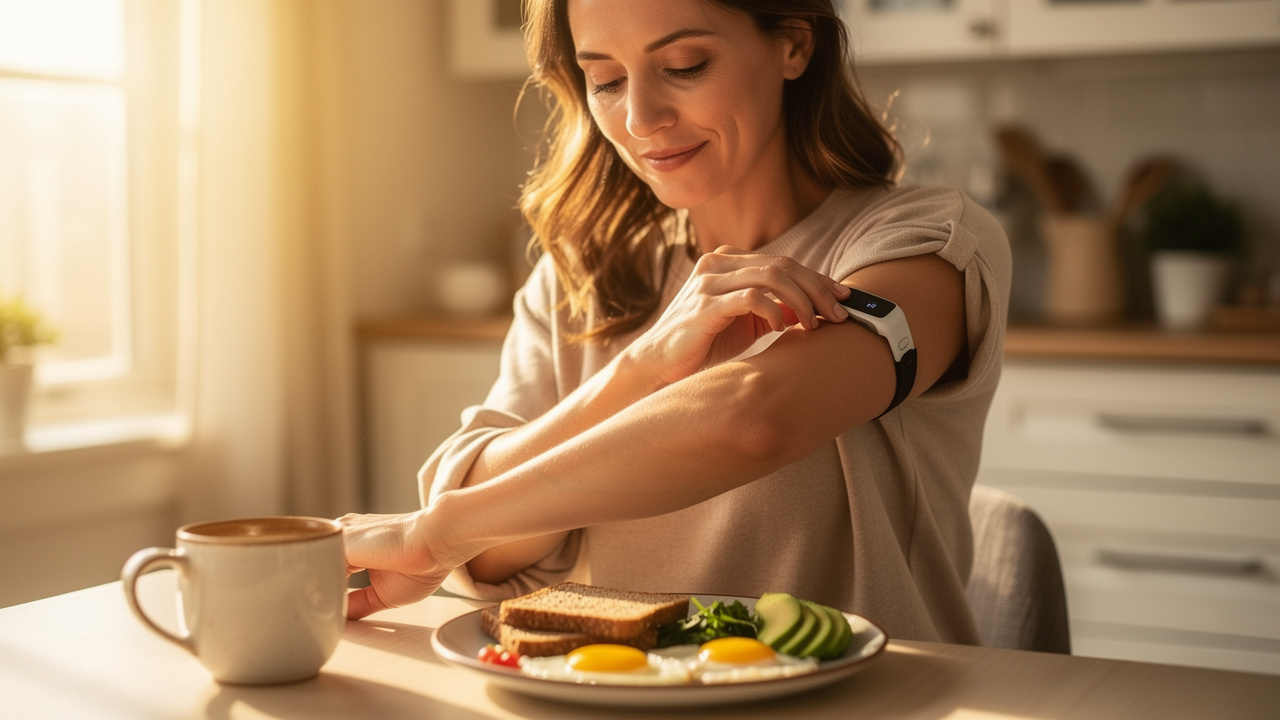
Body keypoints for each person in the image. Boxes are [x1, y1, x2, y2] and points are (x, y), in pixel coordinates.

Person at [340, 0, 1010, 645]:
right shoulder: (584, 275)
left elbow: (756, 417)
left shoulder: (924, 246)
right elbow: (487, 551)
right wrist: (645, 366)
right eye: (603, 79)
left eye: (685, 65)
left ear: (795, 44)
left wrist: (435, 533)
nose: (640, 117)